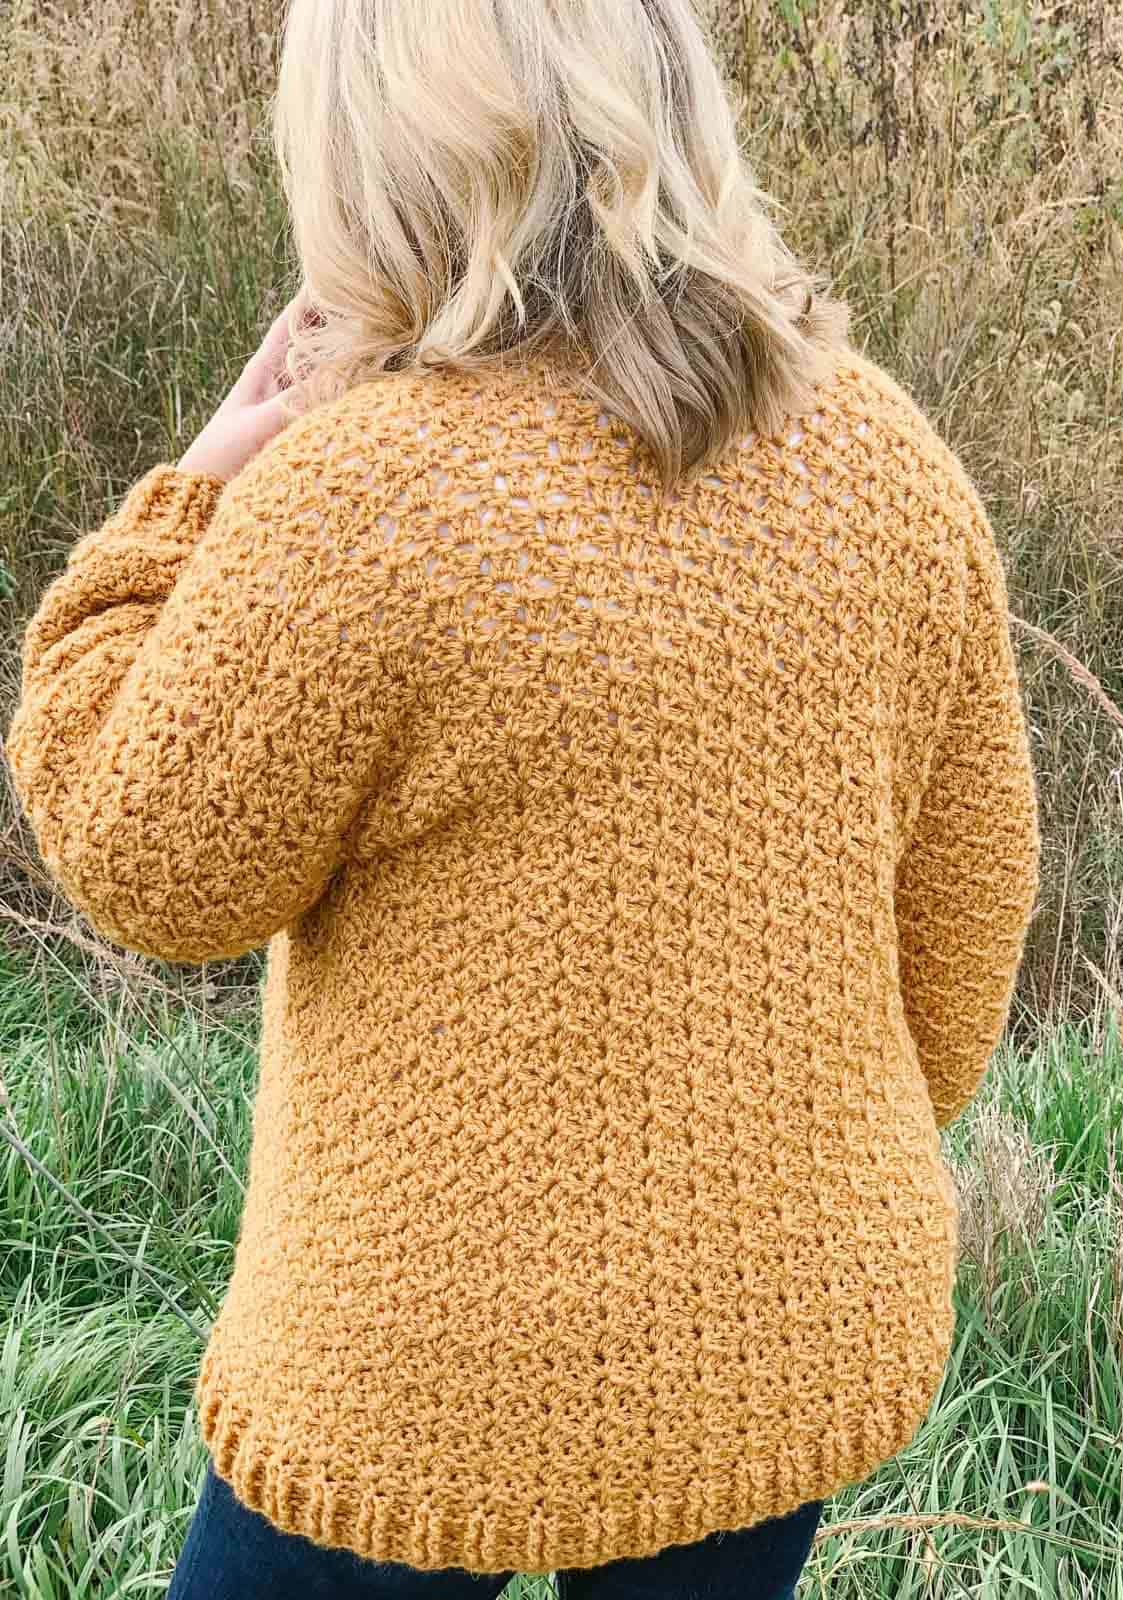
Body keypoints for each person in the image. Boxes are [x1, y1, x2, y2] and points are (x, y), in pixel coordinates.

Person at [2, 0, 1042, 1596]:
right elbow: (968, 927)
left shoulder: (362, 500)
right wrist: (775, 1171)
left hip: (420, 1377)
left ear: (377, 157)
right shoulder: (881, 458)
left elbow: (150, 861)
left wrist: (191, 499)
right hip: (785, 1322)